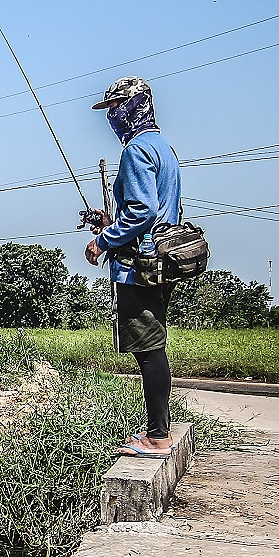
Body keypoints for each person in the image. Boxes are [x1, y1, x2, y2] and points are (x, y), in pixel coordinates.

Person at [86, 76, 181, 456]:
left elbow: (142, 212)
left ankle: (157, 436)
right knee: (154, 348)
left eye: (114, 108)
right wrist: (111, 220)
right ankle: (158, 430)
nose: (111, 116)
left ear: (134, 105)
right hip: (160, 262)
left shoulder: (136, 151)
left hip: (138, 269)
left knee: (149, 350)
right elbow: (152, 212)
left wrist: (102, 240)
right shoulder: (162, 147)